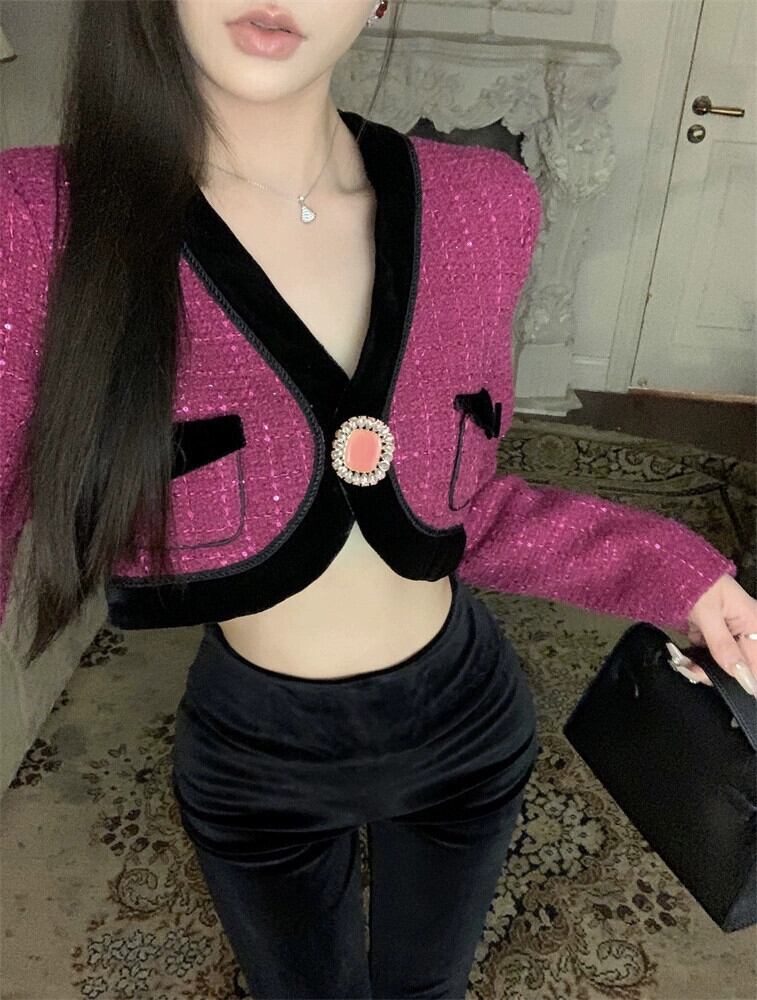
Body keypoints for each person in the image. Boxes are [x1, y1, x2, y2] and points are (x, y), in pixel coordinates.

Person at [1, 1, 755, 997]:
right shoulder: (42, 221)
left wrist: (681, 575)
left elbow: (465, 508)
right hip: (256, 751)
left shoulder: (482, 204)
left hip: (466, 719)